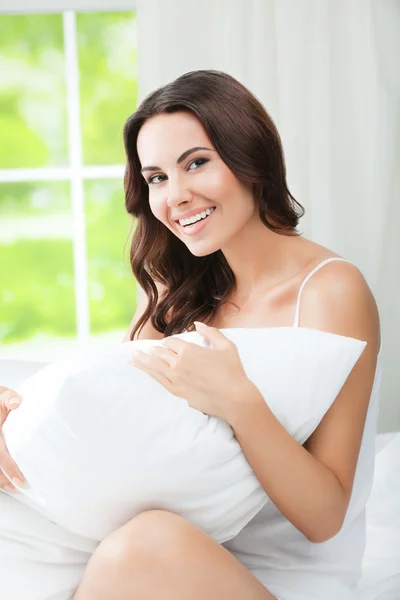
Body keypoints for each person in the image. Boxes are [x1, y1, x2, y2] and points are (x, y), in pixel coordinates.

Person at [0, 70, 381, 600]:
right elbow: (119, 423)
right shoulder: (173, 286)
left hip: (281, 583)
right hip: (159, 573)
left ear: (251, 158)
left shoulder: (330, 291)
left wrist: (239, 402)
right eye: (156, 177)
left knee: (142, 545)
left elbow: (325, 517)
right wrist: (24, 418)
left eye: (196, 163)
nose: (176, 196)